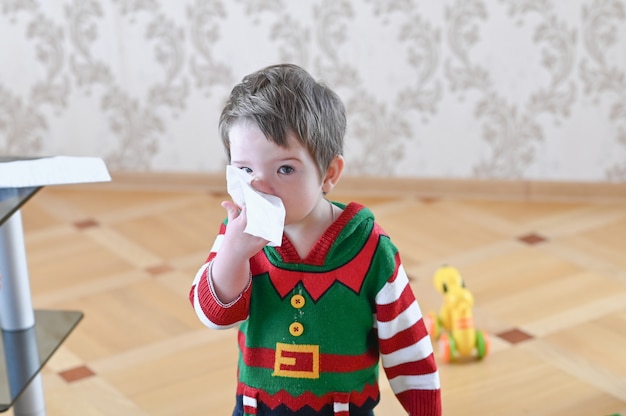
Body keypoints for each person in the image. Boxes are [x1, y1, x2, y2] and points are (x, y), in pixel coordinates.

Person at [189, 63, 441, 416]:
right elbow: (215, 315)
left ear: (329, 174)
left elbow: (407, 344)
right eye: (245, 170)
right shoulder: (237, 235)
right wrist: (233, 253)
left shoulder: (370, 249)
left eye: (285, 169)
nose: (259, 186)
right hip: (257, 408)